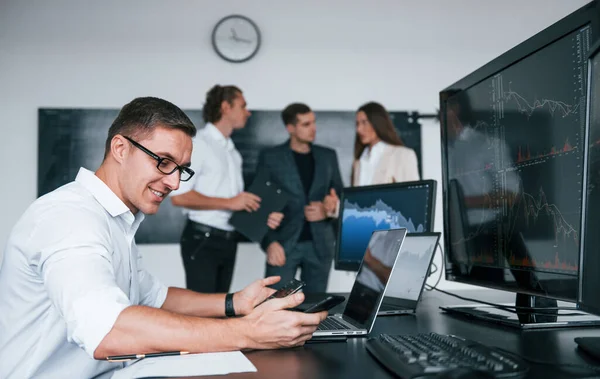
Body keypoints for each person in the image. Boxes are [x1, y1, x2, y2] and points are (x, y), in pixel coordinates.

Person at [0, 97, 326, 379]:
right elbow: (109, 330)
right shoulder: (70, 219)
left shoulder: (116, 219)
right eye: (163, 162)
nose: (174, 183)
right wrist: (248, 331)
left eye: (181, 169)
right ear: (120, 148)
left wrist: (232, 303)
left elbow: (154, 297)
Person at [170, 85, 283, 294]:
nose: (248, 112)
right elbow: (179, 196)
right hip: (202, 240)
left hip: (228, 240)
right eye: (243, 106)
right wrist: (231, 203)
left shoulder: (233, 153)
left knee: (220, 311)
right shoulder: (199, 144)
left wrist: (262, 217)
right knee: (204, 315)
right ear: (225, 107)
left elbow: (237, 203)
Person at [255, 103, 343, 293]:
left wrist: (329, 208)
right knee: (276, 304)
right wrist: (269, 242)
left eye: (313, 122)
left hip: (321, 245)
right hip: (282, 243)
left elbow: (340, 196)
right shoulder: (271, 157)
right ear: (290, 128)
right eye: (306, 124)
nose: (313, 128)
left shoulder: (328, 156)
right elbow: (257, 202)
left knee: (316, 308)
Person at [323, 102, 420, 215]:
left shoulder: (402, 155)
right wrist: (336, 206)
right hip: (361, 231)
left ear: (378, 122)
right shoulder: (359, 162)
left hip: (391, 230)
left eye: (364, 122)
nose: (359, 129)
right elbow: (359, 205)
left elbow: (413, 202)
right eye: (357, 124)